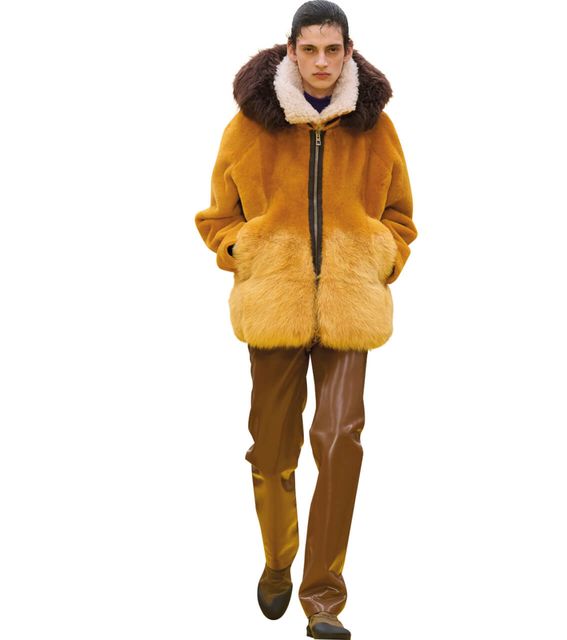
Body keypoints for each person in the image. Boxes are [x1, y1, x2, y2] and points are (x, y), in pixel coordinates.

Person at [194, 2, 417, 638]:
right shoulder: (250, 125)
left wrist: (380, 256)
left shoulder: (376, 128)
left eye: (332, 50)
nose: (322, 62)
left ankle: (324, 597)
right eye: (310, 49)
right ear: (291, 50)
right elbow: (217, 218)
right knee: (271, 448)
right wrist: (244, 250)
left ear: (348, 51)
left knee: (340, 442)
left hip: (350, 309)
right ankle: (277, 558)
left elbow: (401, 218)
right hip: (274, 306)